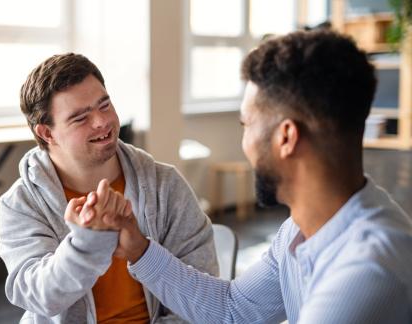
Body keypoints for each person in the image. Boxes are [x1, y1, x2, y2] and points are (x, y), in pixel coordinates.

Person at [69, 30, 412, 323]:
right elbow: (235, 310)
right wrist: (139, 249)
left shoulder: (368, 270)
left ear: (286, 137)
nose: (243, 142)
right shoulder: (301, 229)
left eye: (246, 125)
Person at [0, 53, 218, 323]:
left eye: (105, 105)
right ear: (47, 133)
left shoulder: (166, 185)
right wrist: (86, 244)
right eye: (80, 118)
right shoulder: (21, 203)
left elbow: (202, 295)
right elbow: (39, 296)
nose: (102, 122)